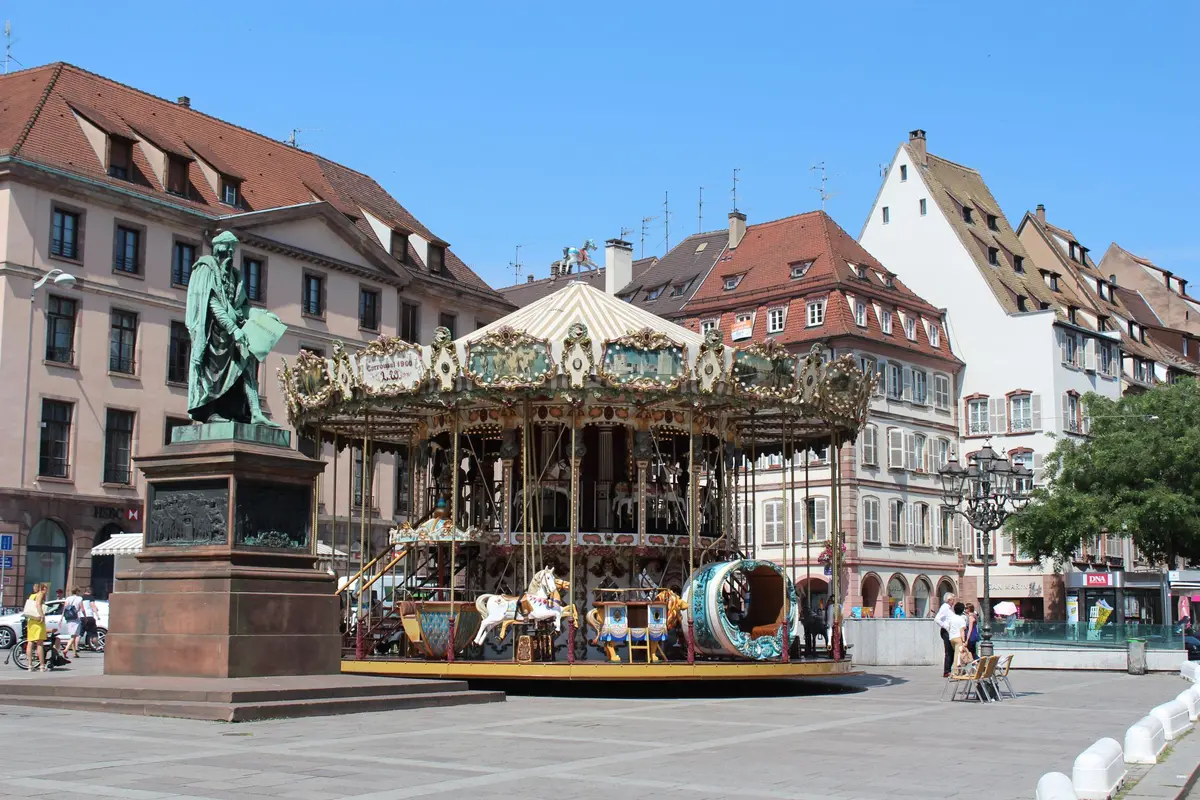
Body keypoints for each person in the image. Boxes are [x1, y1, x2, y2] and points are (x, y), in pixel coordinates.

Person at [22, 583, 48, 671]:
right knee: (39, 643)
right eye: (46, 589)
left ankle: (30, 665)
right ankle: (42, 666)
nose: (46, 591)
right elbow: (38, 605)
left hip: (31, 621)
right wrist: (42, 615)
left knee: (30, 642)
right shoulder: (40, 594)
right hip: (38, 621)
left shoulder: (32, 596)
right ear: (43, 588)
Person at [933, 592, 957, 678]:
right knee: (949, 651)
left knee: (952, 651)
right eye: (953, 599)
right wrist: (946, 626)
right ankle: (946, 671)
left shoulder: (949, 608)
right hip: (946, 631)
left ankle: (950, 670)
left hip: (950, 631)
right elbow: (937, 619)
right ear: (949, 600)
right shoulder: (945, 608)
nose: (954, 600)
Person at [947, 602, 970, 672]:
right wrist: (964, 641)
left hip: (952, 638)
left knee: (957, 654)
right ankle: (955, 672)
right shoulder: (961, 619)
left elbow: (948, 628)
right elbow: (962, 631)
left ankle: (960, 671)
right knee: (957, 656)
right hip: (958, 638)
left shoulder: (951, 618)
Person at [62, 586, 84, 657]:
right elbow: (82, 609)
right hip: (76, 619)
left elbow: (65, 609)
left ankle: (75, 653)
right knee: (73, 636)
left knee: (73, 635)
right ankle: (66, 649)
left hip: (69, 618)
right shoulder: (79, 598)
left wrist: (61, 617)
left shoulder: (68, 598)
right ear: (77, 591)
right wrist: (85, 617)